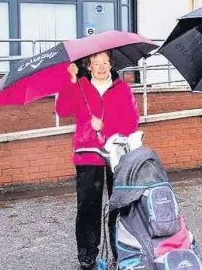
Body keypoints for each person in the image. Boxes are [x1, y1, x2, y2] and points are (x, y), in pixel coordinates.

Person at [55, 51, 139, 269]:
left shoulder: (122, 88)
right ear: (88, 66)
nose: (101, 67)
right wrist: (70, 81)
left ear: (111, 64)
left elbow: (131, 122)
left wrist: (106, 127)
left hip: (116, 155)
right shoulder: (80, 85)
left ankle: (121, 248)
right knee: (88, 207)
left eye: (105, 62)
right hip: (87, 153)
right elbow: (63, 110)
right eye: (96, 63)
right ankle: (87, 253)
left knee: (119, 204)